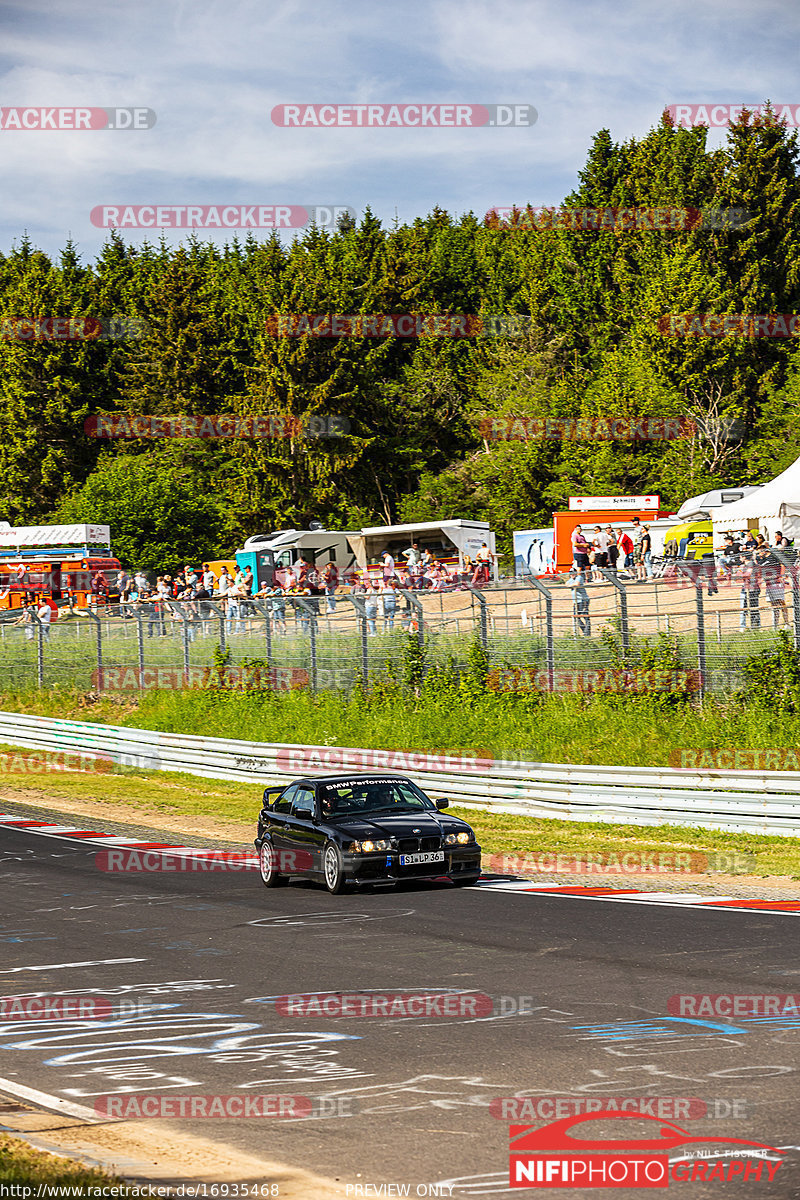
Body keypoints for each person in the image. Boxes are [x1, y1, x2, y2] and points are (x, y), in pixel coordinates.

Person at [760, 549, 790, 627]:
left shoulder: (773, 557)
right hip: (769, 584)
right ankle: (775, 625)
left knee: (781, 602)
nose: (759, 554)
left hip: (777, 584)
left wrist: (781, 576)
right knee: (774, 605)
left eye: (760, 551)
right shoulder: (763, 561)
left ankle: (786, 623)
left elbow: (782, 565)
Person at [740, 554, 761, 629]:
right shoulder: (746, 565)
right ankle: (750, 625)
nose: (740, 559)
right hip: (747, 587)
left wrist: (740, 575)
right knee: (746, 606)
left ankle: (755, 625)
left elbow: (748, 574)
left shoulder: (751, 564)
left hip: (752, 588)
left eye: (741, 557)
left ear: (744, 557)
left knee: (753, 606)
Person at [568, 567, 591, 636]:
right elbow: (566, 584)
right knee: (576, 617)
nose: (572, 575)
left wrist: (571, 585)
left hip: (583, 600)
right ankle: (585, 631)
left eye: (573, 573)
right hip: (576, 601)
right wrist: (571, 585)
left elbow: (577, 584)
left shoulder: (579, 577)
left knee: (585, 616)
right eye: (571, 573)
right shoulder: (571, 579)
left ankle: (587, 633)